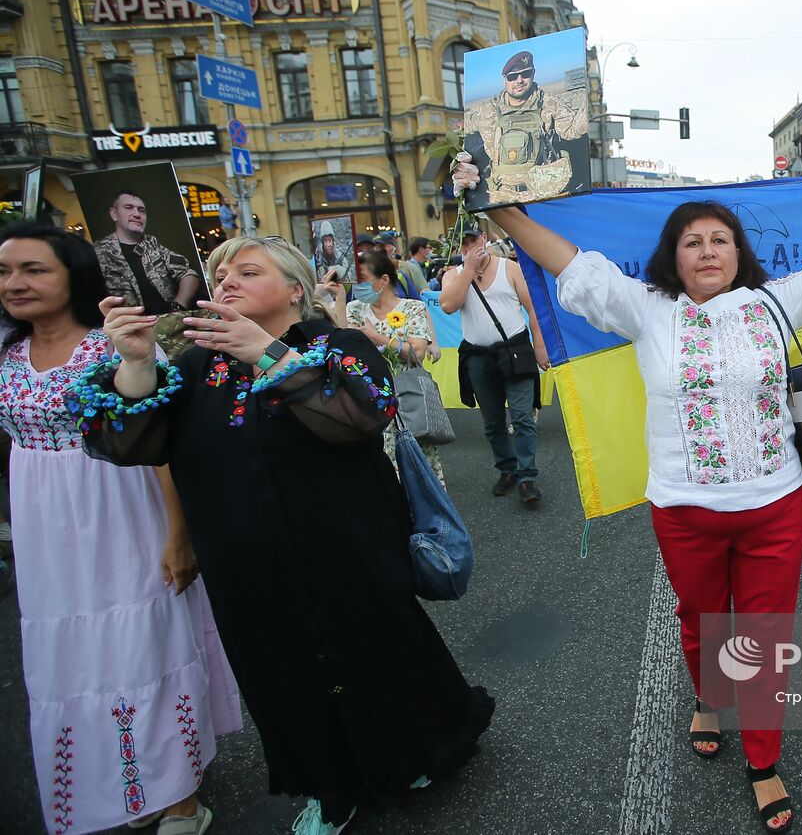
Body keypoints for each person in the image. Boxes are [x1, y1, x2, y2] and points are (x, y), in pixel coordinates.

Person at [473, 148, 802, 832]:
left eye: (720, 238)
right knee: (700, 622)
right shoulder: (645, 308)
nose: (707, 249)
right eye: (692, 241)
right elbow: (572, 264)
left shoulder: (775, 302)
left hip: (774, 508)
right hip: (684, 511)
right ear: (674, 256)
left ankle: (762, 757)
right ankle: (707, 695)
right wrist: (501, 208)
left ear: (738, 251)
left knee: (764, 636)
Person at [71, 236, 494, 835]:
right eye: (220, 277)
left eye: (247, 271)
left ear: (296, 288)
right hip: (246, 558)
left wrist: (270, 355)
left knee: (381, 648)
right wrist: (137, 362)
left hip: (349, 544)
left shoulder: (337, 344)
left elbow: (363, 414)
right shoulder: (195, 366)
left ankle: (417, 750)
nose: (227, 284)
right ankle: (331, 786)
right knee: (281, 672)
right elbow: (130, 442)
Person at [1, 222, 241, 835]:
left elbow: (163, 447)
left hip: (124, 511)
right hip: (45, 530)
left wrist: (179, 534)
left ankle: (181, 798)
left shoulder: (120, 343)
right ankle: (129, 784)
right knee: (76, 661)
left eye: (34, 269)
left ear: (72, 275)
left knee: (145, 647)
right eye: (4, 271)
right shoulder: (5, 355)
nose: (15, 283)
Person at [439, 224, 549, 504]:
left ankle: (527, 475)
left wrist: (539, 346)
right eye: (463, 242)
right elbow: (449, 305)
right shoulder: (453, 275)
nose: (469, 246)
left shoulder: (509, 268)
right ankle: (507, 468)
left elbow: (533, 308)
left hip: (514, 349)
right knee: (493, 421)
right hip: (478, 356)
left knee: (523, 417)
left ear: (485, 238)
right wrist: (467, 270)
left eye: (473, 239)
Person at [348, 251, 445, 486]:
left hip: (407, 397)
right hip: (370, 400)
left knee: (419, 464)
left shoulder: (412, 309)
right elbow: (346, 349)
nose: (358, 286)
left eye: (363, 279)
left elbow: (417, 352)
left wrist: (376, 337)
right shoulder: (355, 309)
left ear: (383, 280)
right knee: (383, 470)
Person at [458, 49, 590, 203]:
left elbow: (571, 130)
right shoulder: (487, 110)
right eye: (512, 76)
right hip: (500, 197)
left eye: (525, 74)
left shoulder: (549, 103)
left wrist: (587, 105)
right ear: (505, 80)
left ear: (533, 73)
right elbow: (460, 129)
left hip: (542, 195)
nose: (519, 80)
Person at [93, 190, 201, 314]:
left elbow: (189, 274)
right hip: (130, 329)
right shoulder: (98, 252)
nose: (136, 214)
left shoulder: (151, 243)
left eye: (141, 210)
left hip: (169, 324)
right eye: (128, 207)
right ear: (114, 214)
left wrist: (178, 308)